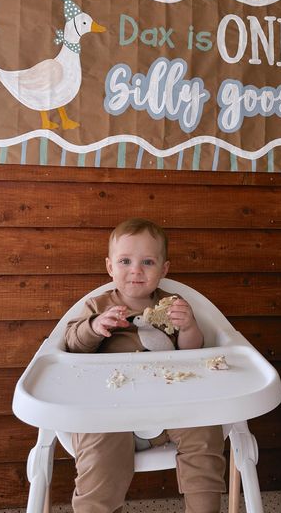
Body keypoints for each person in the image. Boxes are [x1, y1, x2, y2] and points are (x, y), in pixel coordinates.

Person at [64, 217, 226, 513]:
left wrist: (188, 327)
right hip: (111, 413)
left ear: (164, 269)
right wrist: (95, 327)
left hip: (170, 408)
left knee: (205, 431)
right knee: (97, 455)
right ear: (110, 267)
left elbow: (192, 352)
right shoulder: (97, 307)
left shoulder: (174, 304)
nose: (136, 270)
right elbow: (72, 344)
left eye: (148, 262)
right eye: (125, 261)